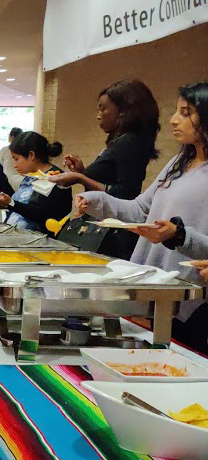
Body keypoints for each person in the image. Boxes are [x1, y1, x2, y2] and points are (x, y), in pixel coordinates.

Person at [74, 82, 208, 353]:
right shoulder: (179, 162)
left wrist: (179, 235)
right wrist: (94, 200)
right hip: (157, 286)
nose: (174, 120)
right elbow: (139, 210)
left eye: (186, 112)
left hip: (192, 296)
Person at [49, 79, 161, 259]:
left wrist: (80, 178)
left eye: (103, 108)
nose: (98, 115)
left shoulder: (130, 142)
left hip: (112, 237)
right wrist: (82, 171)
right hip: (104, 230)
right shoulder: (122, 141)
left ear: (124, 111)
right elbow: (109, 183)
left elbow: (125, 194)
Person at [0, 132, 70, 233]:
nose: (15, 165)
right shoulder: (29, 177)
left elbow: (42, 215)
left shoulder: (55, 178)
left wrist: (10, 203)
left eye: (17, 159)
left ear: (31, 155)